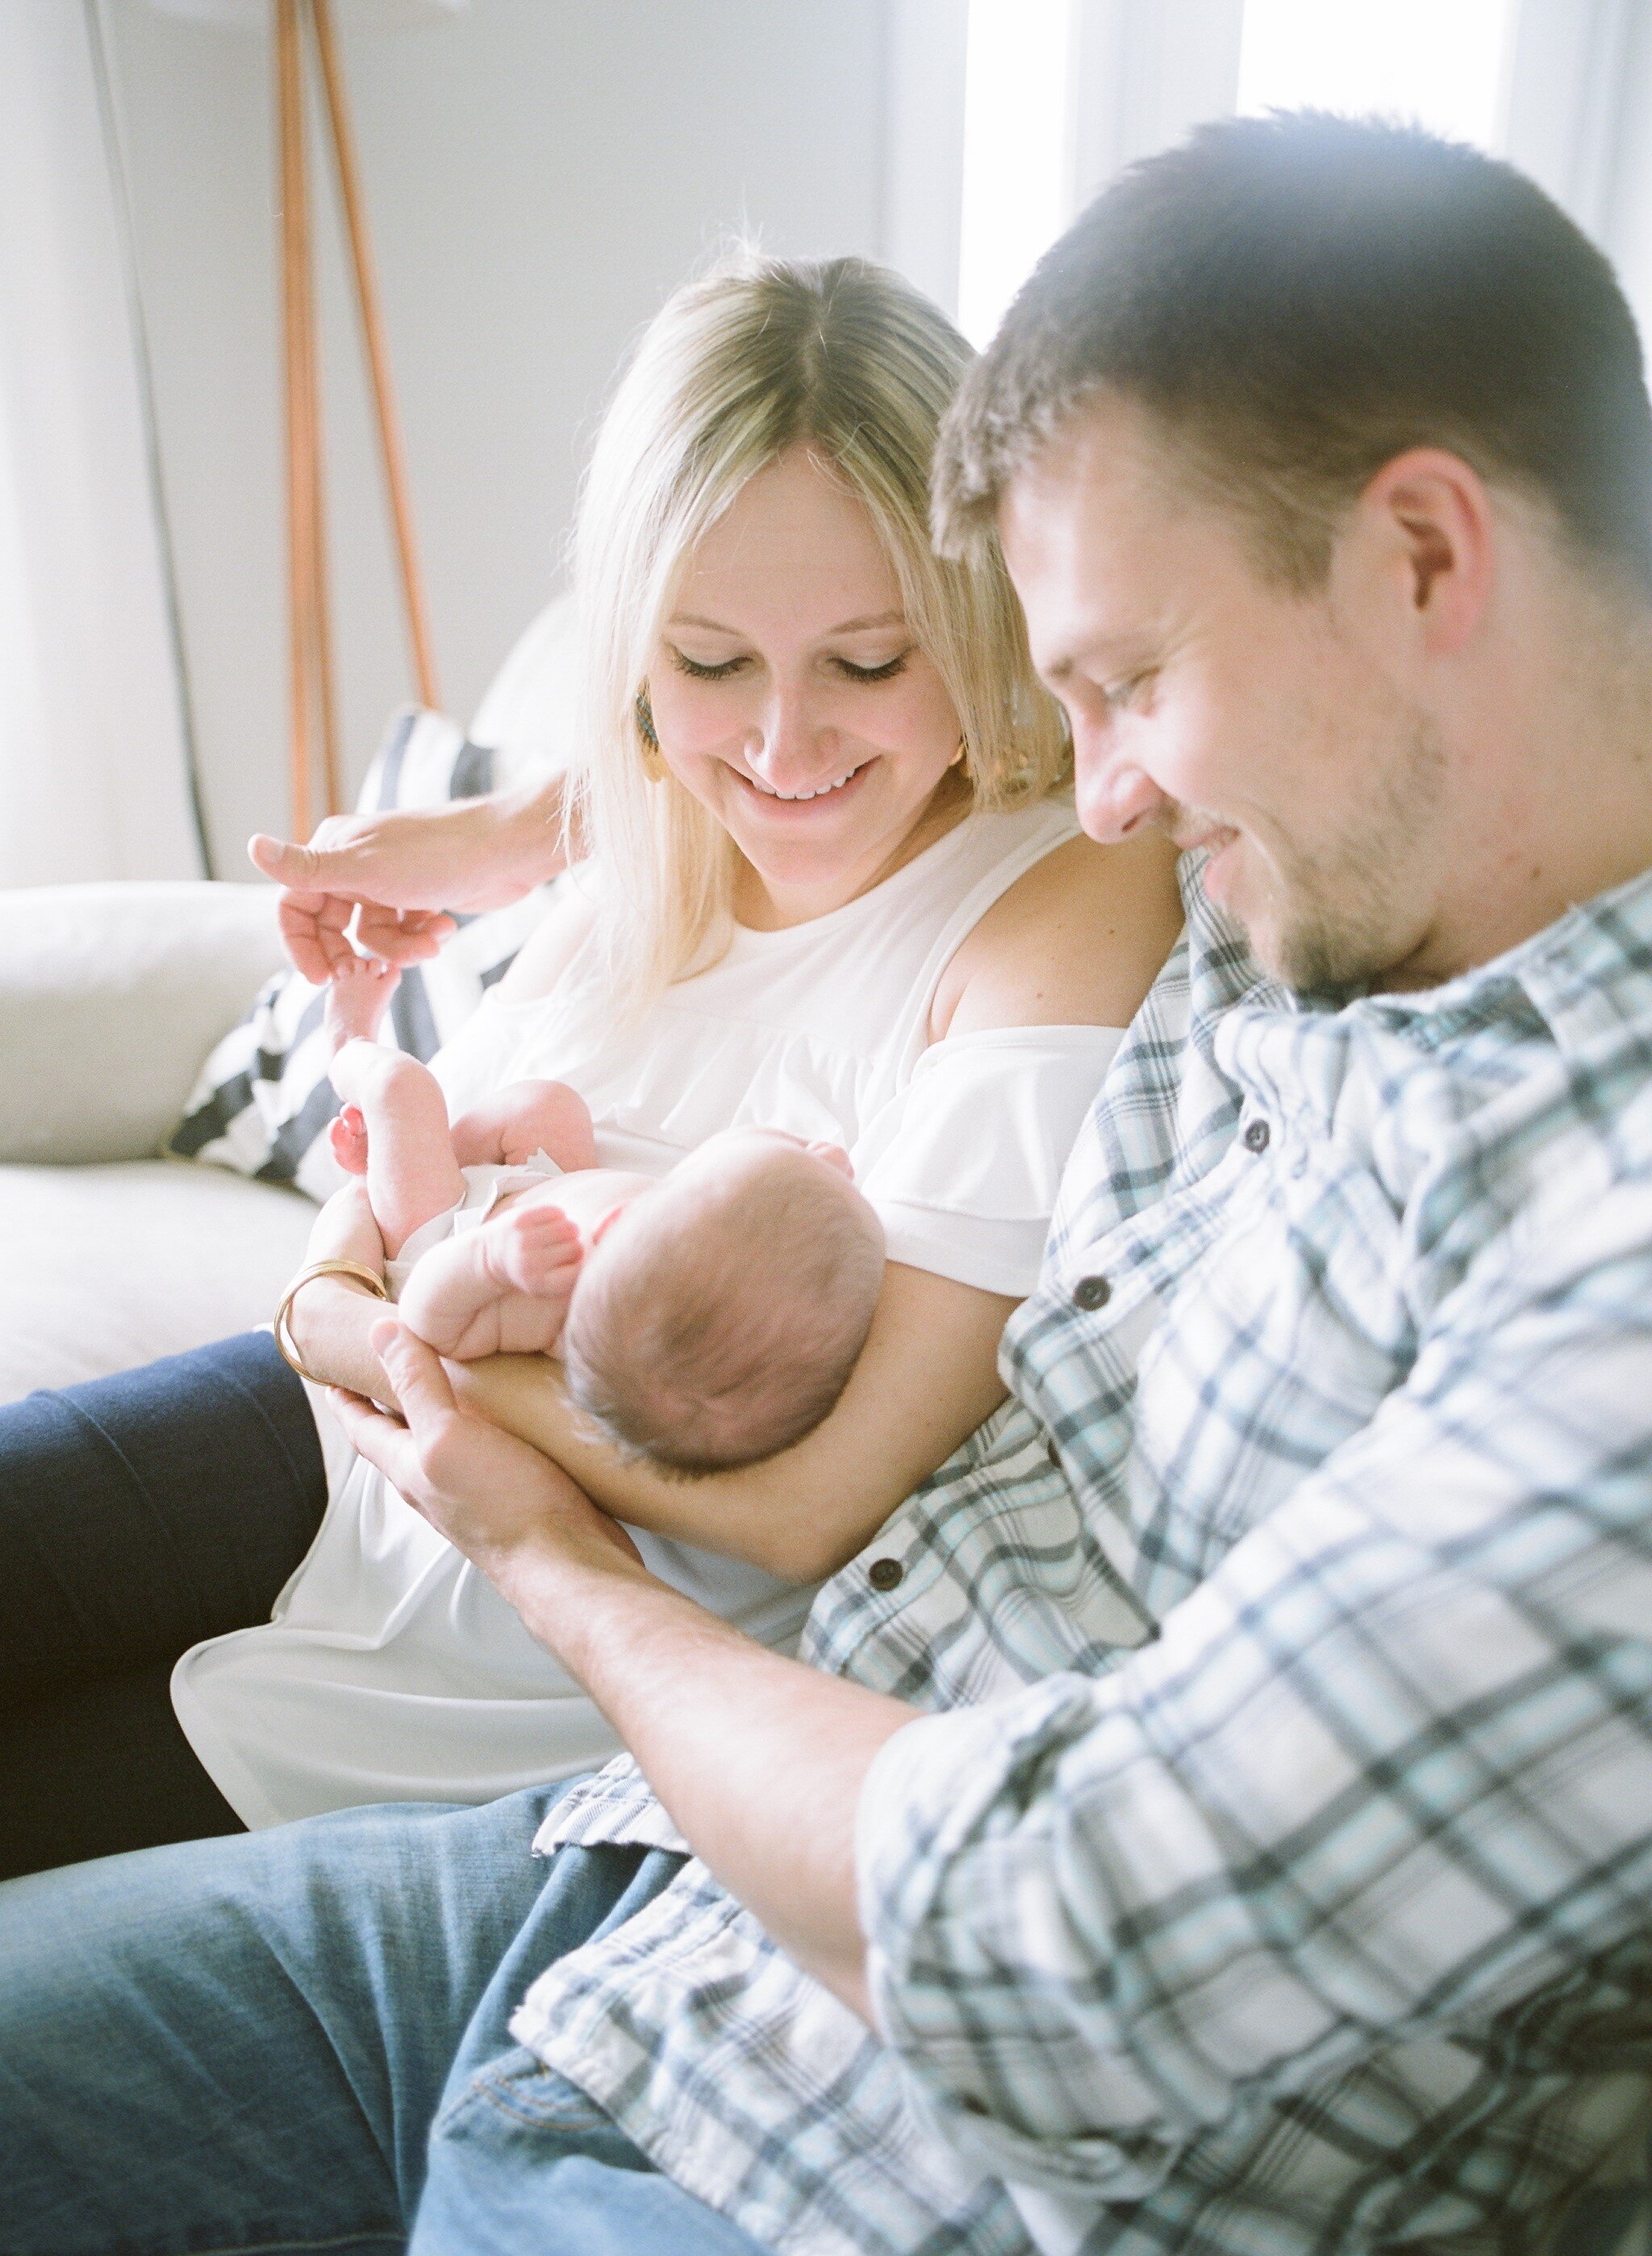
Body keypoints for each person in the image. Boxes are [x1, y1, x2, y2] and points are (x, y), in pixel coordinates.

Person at [7, 111, 1651, 2256]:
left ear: (1426, 561)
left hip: (866, 2149)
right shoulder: (1312, 887)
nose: (1114, 788)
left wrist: (564, 1565)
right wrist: (519, 829)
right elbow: (802, 768)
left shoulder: (1590, 1253)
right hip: (606, 1892)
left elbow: (1063, 1954)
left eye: (1135, 681)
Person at [0, 252, 1178, 1868]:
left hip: (485, 1680)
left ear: (976, 614)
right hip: (329, 1452)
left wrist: (408, 1360)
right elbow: (334, 1270)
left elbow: (810, 1503)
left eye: (869, 660)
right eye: (709, 664)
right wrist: (512, 831)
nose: (780, 748)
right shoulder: (647, 830)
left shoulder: (1063, 899)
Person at [320, 959, 886, 1467]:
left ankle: (350, 1047)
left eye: (793, 1148)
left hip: (442, 1234)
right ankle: (401, 1155)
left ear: (618, 1225)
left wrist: (490, 1261)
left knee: (404, 1086)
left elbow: (425, 1321)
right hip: (542, 1189)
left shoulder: (552, 1305)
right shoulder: (691, 1264)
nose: (828, 1152)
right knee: (549, 1107)